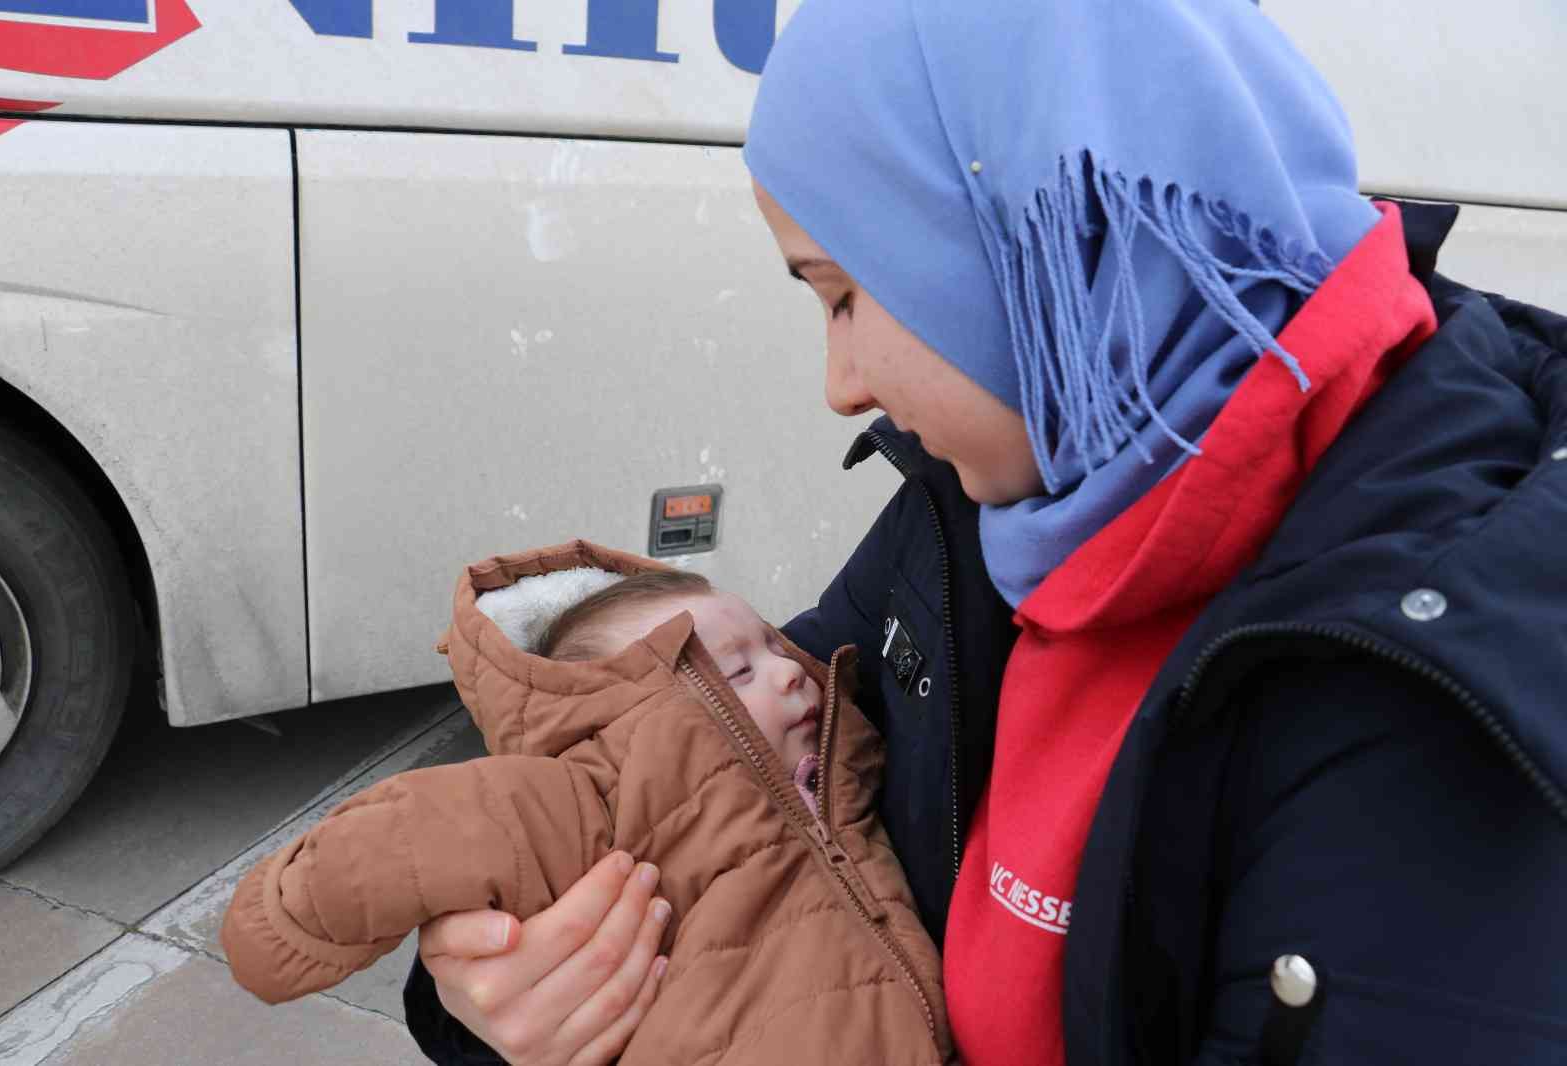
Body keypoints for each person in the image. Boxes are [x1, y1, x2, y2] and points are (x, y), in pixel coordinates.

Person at [406, 2, 1567, 1064]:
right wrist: (497, 984)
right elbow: (715, 758)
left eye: (843, 295)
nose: (840, 382)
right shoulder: (1005, 492)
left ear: (1020, 247)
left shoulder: (1436, 690)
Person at [222, 542, 951, 1064]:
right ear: (616, 721)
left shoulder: (846, 774)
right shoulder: (596, 796)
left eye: (775, 647)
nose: (792, 674)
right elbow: (415, 834)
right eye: (736, 668)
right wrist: (282, 924)